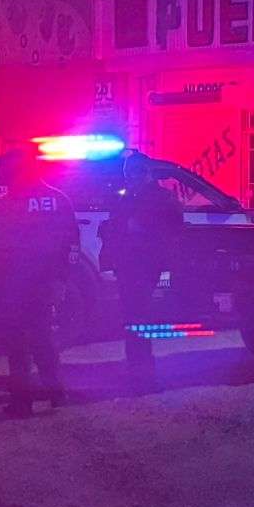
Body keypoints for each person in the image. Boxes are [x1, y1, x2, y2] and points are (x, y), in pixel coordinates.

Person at [0, 146, 76, 417]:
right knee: (42, 339)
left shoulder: (8, 204)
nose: (3, 175)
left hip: (14, 286)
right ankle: (56, 394)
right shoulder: (58, 199)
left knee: (17, 344)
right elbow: (71, 244)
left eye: (5, 170)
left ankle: (23, 402)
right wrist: (61, 280)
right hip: (42, 284)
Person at [99, 153, 183, 389]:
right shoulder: (127, 198)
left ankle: (144, 375)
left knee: (139, 318)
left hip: (146, 266)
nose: (130, 178)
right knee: (133, 319)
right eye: (128, 173)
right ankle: (137, 370)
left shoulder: (161, 199)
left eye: (134, 173)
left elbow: (173, 231)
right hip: (128, 266)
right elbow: (114, 229)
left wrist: (142, 230)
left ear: (145, 174)